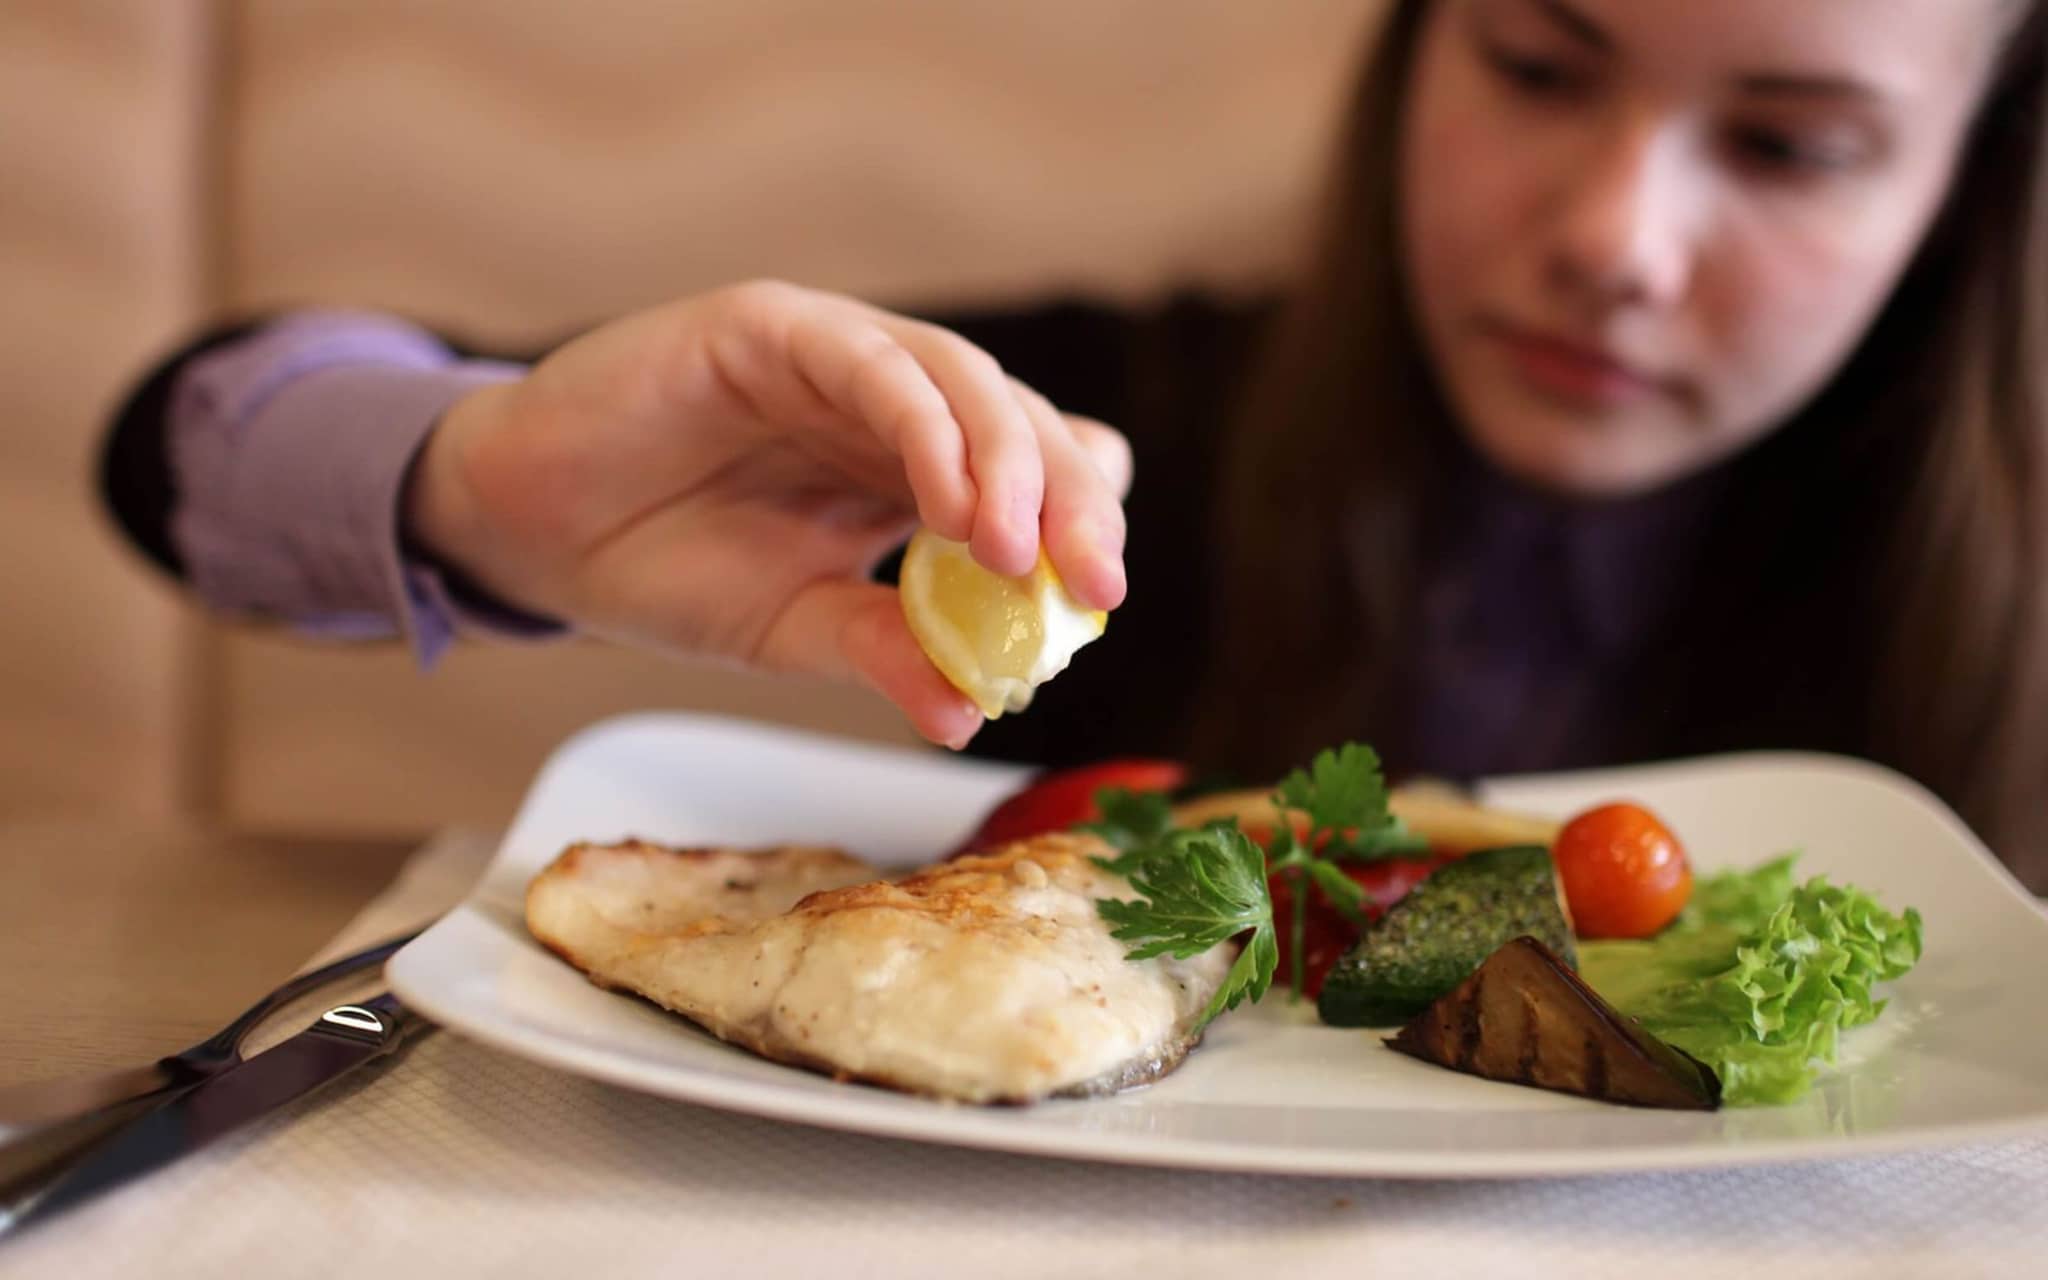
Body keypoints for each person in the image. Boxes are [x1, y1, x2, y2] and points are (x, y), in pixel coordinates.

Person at [101, 0, 2047, 885]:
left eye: (1789, 145)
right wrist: (483, 485)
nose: (1613, 240)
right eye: (1535, 68)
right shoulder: (1098, 435)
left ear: (1964, 186)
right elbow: (174, 448)